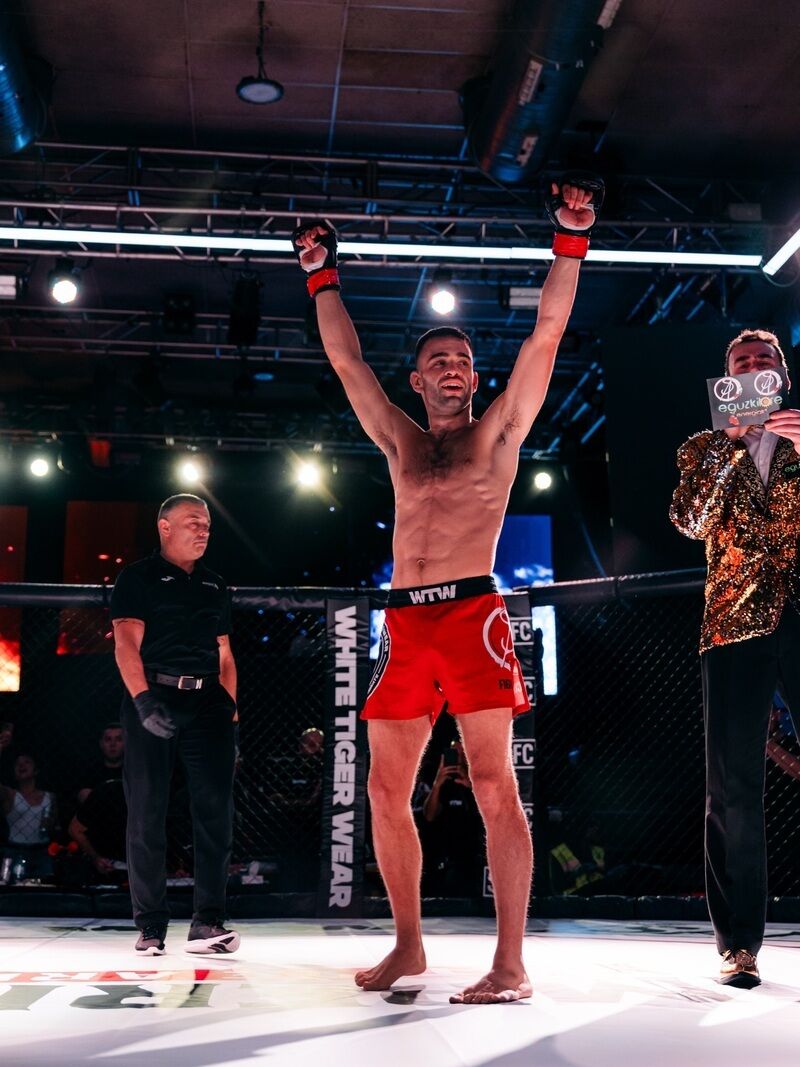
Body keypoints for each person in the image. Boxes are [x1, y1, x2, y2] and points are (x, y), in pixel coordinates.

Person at [294, 175, 601, 1003]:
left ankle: (511, 963)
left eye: (463, 360)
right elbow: (348, 362)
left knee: (495, 785)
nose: (455, 369)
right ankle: (408, 944)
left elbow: (545, 334)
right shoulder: (400, 441)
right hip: (405, 622)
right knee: (383, 789)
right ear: (419, 378)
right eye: (439, 361)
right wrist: (321, 274)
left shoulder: (498, 434)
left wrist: (570, 240)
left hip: (472, 615)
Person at [670, 329, 800, 988]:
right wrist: (732, 445)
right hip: (733, 623)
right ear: (727, 378)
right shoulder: (702, 447)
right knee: (733, 788)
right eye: (741, 362)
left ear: (782, 374)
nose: (753, 368)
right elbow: (690, 520)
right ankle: (740, 944)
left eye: (764, 360)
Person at [110, 493, 239, 956]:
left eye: (207, 524)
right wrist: (143, 699)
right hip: (155, 693)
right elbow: (125, 643)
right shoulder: (138, 577)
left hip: (208, 702)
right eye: (192, 522)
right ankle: (150, 925)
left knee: (216, 811)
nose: (203, 530)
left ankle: (208, 922)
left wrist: (231, 713)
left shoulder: (214, 584)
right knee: (147, 809)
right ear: (164, 527)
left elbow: (225, 653)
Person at [0, 752, 58, 880]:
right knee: (10, 887)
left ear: (36, 770)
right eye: (17, 764)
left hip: (42, 852)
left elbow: (54, 825)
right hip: (14, 850)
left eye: (27, 762)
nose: (21, 765)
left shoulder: (49, 797)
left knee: (44, 888)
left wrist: (50, 824)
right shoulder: (10, 795)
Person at [77, 722, 124, 805]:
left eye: (118, 739)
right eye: (108, 739)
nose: (113, 744)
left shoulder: (135, 773)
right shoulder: (89, 773)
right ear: (101, 744)